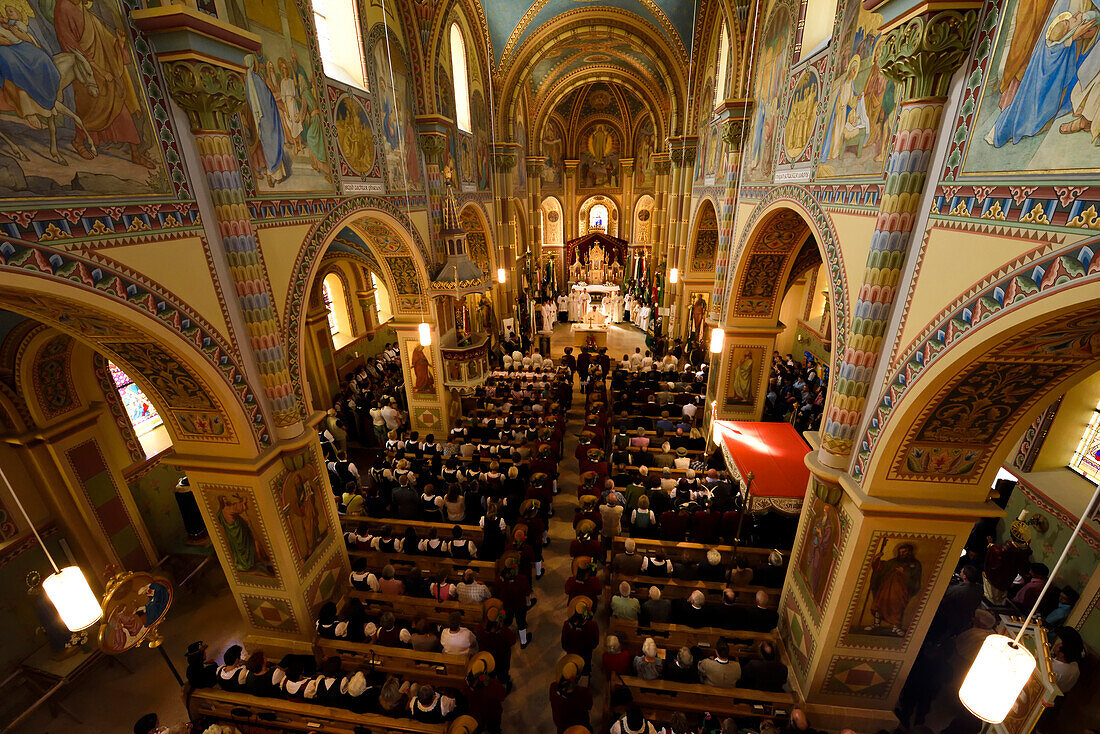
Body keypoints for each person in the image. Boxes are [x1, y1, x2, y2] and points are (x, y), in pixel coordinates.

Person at [549, 654, 593, 733]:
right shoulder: (583, 693)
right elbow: (589, 706)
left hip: (562, 726)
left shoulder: (553, 688)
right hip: (581, 727)